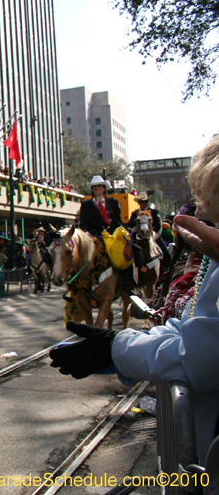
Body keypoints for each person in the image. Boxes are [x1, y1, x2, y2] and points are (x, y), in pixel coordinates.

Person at [50, 136, 219, 464]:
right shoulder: (86, 206)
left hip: (114, 236)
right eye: (96, 188)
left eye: (204, 201)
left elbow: (198, 354)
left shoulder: (113, 203)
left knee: (129, 251)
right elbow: (86, 226)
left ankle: (135, 279)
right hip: (92, 239)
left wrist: (118, 349)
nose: (99, 192)